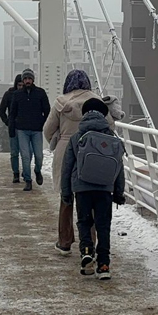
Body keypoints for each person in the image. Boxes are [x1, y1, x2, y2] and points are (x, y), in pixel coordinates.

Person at [44, 69, 110, 255]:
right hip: (91, 151)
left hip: (65, 150)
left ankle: (64, 241)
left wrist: (57, 140)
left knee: (66, 197)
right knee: (90, 196)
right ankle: (90, 242)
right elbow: (109, 126)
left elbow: (48, 130)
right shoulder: (96, 102)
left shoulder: (61, 103)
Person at [61, 97, 126, 280]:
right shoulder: (112, 138)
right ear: (104, 115)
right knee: (103, 225)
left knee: (84, 222)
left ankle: (87, 251)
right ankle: (104, 265)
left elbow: (67, 167)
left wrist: (66, 192)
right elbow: (119, 167)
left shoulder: (77, 137)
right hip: (104, 188)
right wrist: (118, 192)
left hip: (82, 187)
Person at [8, 69, 50, 191]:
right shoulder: (17, 95)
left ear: (33, 80)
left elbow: (47, 111)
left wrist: (43, 123)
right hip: (22, 130)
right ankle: (28, 180)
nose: (27, 81)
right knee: (25, 156)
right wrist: (12, 128)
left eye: (29, 78)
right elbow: (12, 113)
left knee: (39, 156)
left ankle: (37, 170)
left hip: (37, 130)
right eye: (25, 79)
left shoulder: (40, 93)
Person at [0, 74, 23, 183]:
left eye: (22, 85)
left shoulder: (27, 95)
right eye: (19, 85)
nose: (20, 87)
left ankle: (25, 170)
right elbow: (1, 111)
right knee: (14, 152)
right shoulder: (9, 95)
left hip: (25, 127)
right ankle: (15, 173)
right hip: (13, 127)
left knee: (26, 152)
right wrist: (8, 122)